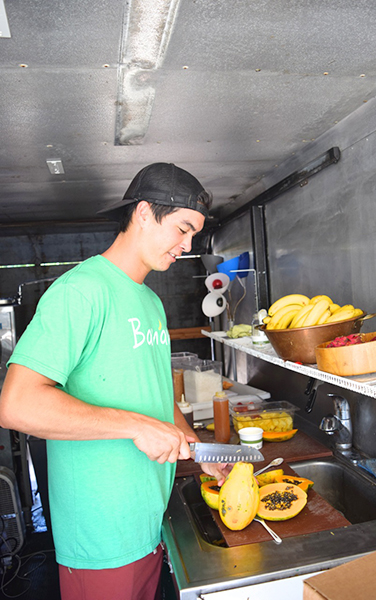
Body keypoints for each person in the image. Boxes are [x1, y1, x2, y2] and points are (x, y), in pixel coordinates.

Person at [0, 163, 231, 600]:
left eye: (194, 236)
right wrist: (136, 427)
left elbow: (157, 398)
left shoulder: (150, 301)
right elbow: (16, 405)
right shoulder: (81, 291)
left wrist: (199, 450)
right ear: (144, 213)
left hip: (147, 519)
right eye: (183, 229)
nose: (187, 246)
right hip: (102, 535)